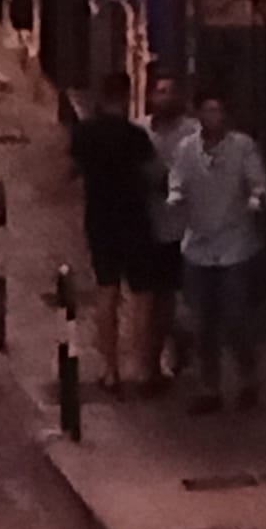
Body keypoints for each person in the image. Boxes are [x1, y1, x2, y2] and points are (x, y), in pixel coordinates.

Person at [169, 91, 266, 414]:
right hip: (198, 246)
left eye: (218, 110)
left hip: (234, 245)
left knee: (236, 317)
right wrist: (175, 199)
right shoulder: (186, 150)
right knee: (202, 321)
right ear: (198, 114)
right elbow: (177, 183)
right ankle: (209, 386)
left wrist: (256, 199)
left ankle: (247, 378)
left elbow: (259, 184)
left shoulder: (243, 147)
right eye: (208, 110)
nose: (214, 116)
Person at [69, 72, 158, 398]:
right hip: (133, 219)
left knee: (106, 293)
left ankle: (110, 369)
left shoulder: (84, 134)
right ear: (124, 96)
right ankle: (141, 367)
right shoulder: (135, 136)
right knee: (142, 297)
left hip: (99, 220)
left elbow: (72, 171)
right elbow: (152, 175)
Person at [140, 73, 200, 386]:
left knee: (181, 295)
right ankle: (155, 361)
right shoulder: (140, 130)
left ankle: (178, 346)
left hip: (185, 228)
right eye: (158, 91)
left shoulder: (193, 133)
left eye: (168, 91)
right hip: (151, 227)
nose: (162, 97)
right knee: (157, 297)